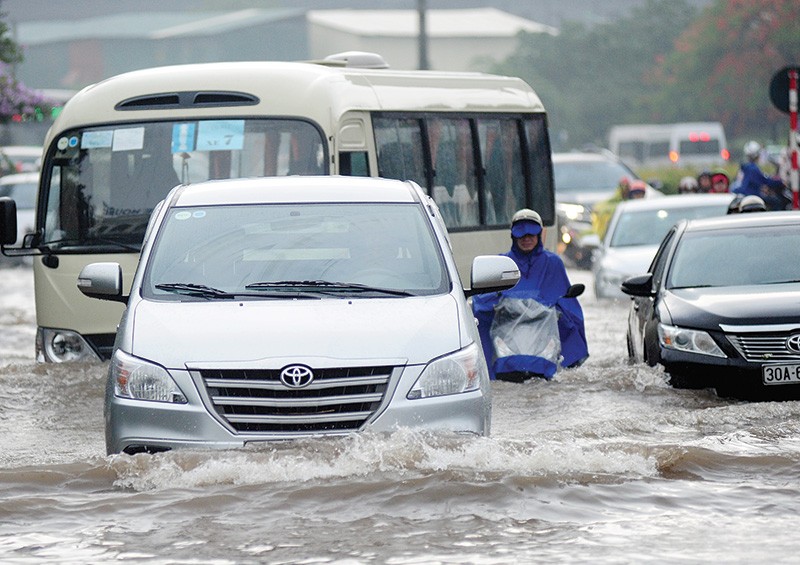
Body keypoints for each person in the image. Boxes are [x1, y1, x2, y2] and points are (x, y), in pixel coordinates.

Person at [472, 209, 589, 382]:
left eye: (531, 234)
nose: (527, 239)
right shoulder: (502, 263)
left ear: (539, 234)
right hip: (507, 334)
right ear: (513, 236)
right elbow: (483, 300)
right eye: (521, 235)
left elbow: (567, 302)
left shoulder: (553, 263)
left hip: (544, 333)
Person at [733, 140, 787, 210]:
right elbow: (764, 181)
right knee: (776, 202)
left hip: (746, 194)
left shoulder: (746, 168)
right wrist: (779, 182)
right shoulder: (753, 168)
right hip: (753, 195)